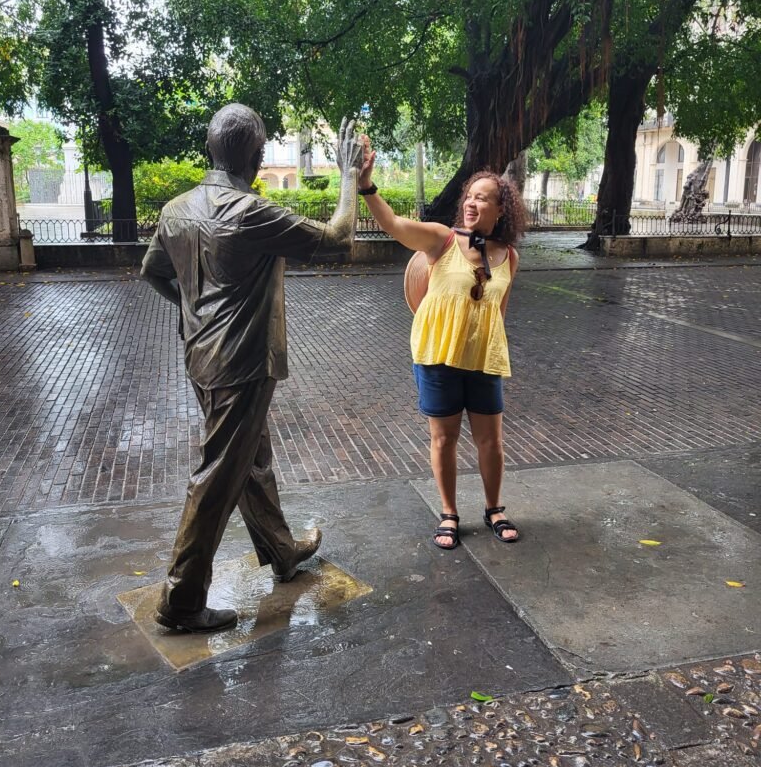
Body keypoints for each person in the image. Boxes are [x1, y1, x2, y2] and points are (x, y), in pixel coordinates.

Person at [141, 105, 363, 632]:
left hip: (202, 357)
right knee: (219, 474)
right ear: (258, 156)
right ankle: (181, 599)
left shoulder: (176, 209)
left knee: (250, 458)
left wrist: (192, 310)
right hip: (240, 365)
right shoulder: (249, 212)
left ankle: (281, 551)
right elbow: (340, 241)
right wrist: (350, 177)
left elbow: (152, 272)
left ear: (210, 150)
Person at [358, 149, 527, 550]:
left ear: (501, 208)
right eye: (469, 196)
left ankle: (493, 508)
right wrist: (367, 186)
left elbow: (498, 312)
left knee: (491, 441)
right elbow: (395, 225)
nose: (471, 202)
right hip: (438, 355)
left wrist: (493, 350)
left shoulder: (509, 257)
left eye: (482, 198)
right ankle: (449, 513)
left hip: (483, 359)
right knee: (444, 439)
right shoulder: (441, 239)